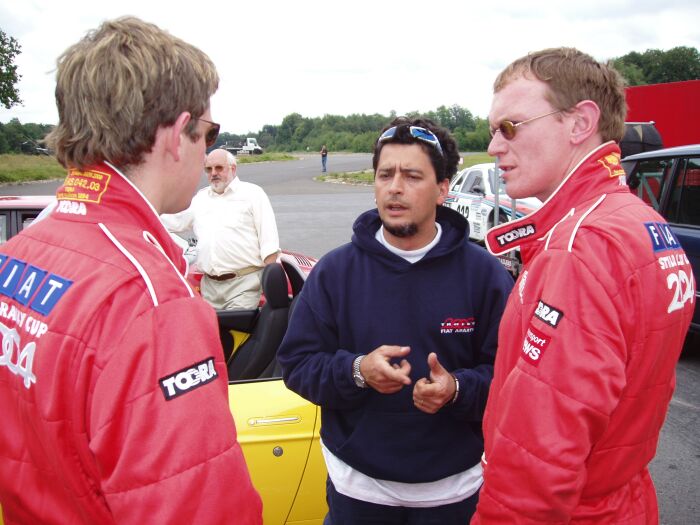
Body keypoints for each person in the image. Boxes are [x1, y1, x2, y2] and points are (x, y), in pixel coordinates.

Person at [0, 17, 262, 524]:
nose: (207, 150)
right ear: (174, 135)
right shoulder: (152, 301)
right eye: (209, 133)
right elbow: (199, 509)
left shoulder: (19, 252)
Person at [472, 47, 694, 524]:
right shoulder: (643, 222)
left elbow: (538, 460)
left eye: (509, 127)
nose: (493, 146)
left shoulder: (579, 248)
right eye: (492, 130)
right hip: (626, 497)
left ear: (579, 123)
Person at [278, 117, 514, 524]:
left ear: (443, 189)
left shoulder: (485, 275)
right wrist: (356, 371)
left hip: (453, 492)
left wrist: (457, 389)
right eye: (385, 174)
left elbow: (514, 379)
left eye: (412, 175)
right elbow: (297, 366)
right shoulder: (335, 273)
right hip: (358, 491)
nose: (395, 187)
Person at [162, 148, 280, 310]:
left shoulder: (253, 195)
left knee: (238, 334)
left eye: (219, 168)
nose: (213, 173)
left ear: (233, 169)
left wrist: (271, 285)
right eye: (208, 169)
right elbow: (171, 222)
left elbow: (269, 242)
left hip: (243, 286)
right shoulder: (200, 199)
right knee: (212, 335)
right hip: (209, 288)